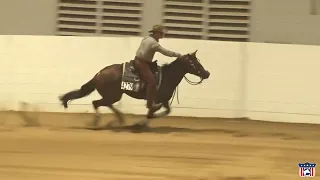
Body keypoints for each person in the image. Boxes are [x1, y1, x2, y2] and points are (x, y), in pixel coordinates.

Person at [134, 24, 182, 111]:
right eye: (160, 34)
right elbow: (166, 52)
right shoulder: (153, 43)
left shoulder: (146, 38)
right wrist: (178, 55)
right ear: (156, 33)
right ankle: (150, 104)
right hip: (142, 63)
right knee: (151, 82)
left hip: (138, 61)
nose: (161, 36)